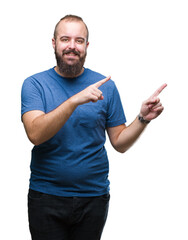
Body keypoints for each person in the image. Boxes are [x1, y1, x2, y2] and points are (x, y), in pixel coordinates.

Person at [21, 15, 167, 240]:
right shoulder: (35, 84)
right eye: (65, 39)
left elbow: (119, 142)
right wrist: (73, 101)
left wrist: (142, 119)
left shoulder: (105, 87)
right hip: (46, 197)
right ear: (54, 43)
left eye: (79, 40)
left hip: (93, 199)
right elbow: (36, 134)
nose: (72, 46)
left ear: (86, 46)